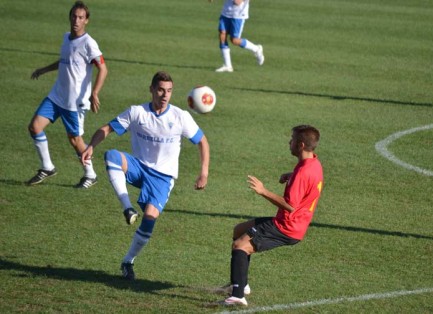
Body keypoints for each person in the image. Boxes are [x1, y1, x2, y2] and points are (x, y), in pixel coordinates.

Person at [81, 71, 210, 280]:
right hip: (139, 167)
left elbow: (202, 142)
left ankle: (128, 261)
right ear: (151, 89)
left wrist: (203, 173)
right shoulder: (136, 112)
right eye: (160, 90)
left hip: (163, 178)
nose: (164, 95)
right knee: (112, 156)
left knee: (149, 221)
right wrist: (90, 146)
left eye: (169, 91)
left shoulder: (180, 117)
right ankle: (127, 208)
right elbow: (107, 128)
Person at [218, 125, 323, 306]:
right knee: (239, 230)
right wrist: (291, 175)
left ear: (301, 145)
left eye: (292, 139)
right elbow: (309, 182)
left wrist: (263, 191)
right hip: (294, 223)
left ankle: (237, 296)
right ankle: (242, 285)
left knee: (240, 246)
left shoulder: (303, 172)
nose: (289, 142)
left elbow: (290, 206)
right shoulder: (313, 163)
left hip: (286, 226)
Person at [27, 1, 108, 188]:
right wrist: (44, 69)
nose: (76, 20)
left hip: (74, 102)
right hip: (57, 96)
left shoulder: (89, 43)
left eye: (81, 17)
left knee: (74, 139)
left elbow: (103, 68)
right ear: (70, 17)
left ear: (86, 20)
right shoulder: (66, 37)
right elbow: (65, 61)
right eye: (74, 16)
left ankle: (90, 174)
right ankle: (47, 167)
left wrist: (94, 92)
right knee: (35, 127)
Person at [211, 0, 264, 72]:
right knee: (222, 34)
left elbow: (237, 2)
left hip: (238, 15)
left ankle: (256, 49)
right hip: (226, 12)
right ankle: (228, 66)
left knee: (234, 40)